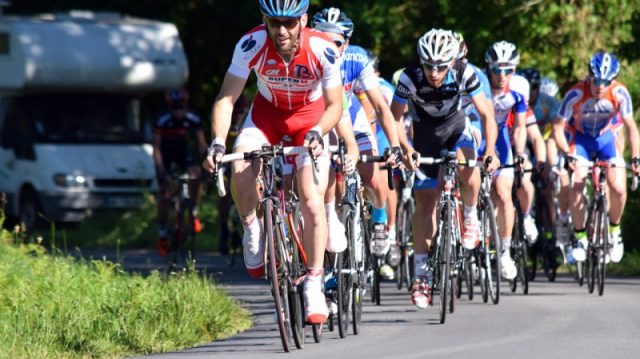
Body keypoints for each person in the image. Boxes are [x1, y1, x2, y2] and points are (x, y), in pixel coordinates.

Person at [204, 0, 344, 324]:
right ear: (264, 20)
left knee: (311, 200)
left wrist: (319, 132)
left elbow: (336, 104)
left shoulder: (323, 49)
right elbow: (227, 98)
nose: (281, 31)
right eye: (274, 22)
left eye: (290, 23)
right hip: (266, 117)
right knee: (239, 165)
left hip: (310, 121)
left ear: (303, 20)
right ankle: (252, 226)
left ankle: (313, 281)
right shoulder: (250, 44)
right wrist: (216, 142)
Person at [390, 29, 499, 309]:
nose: (434, 73)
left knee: (469, 164)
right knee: (425, 203)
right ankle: (422, 276)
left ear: (452, 62)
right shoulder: (409, 77)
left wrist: (489, 152)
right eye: (429, 66)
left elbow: (487, 115)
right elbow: (393, 119)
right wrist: (405, 149)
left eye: (440, 66)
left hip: (456, 128)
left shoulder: (465, 72)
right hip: (424, 135)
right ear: (420, 61)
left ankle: (471, 215)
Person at [311, 7, 402, 260]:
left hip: (352, 118)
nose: (329, 47)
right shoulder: (305, 58)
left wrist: (394, 145)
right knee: (323, 181)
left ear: (347, 43)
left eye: (336, 42)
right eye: (322, 39)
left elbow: (381, 107)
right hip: (320, 122)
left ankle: (380, 219)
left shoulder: (357, 58)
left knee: (372, 176)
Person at [553, 51, 640, 263]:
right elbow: (557, 127)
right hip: (580, 139)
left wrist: (636, 157)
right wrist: (567, 154)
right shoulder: (575, 93)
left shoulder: (619, 93)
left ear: (613, 80)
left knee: (618, 188)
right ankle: (581, 237)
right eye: (596, 80)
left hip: (605, 140)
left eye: (606, 81)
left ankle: (614, 231)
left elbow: (630, 127)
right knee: (577, 184)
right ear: (589, 76)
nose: (600, 86)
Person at [483, 41, 528, 280]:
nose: (502, 76)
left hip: (501, 137)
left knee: (502, 192)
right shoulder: (478, 82)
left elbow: (520, 126)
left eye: (508, 70)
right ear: (488, 68)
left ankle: (504, 251)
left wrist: (519, 152)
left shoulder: (519, 87)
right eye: (497, 70)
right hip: (476, 134)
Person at [153, 88, 208, 257]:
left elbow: (201, 144)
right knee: (166, 193)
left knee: (196, 174)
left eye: (181, 107)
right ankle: (163, 233)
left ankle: (193, 210)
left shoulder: (192, 118)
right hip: (166, 155)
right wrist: (161, 171)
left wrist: (207, 161)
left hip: (183, 153)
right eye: (174, 107)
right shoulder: (162, 120)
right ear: (169, 107)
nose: (178, 111)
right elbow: (156, 148)